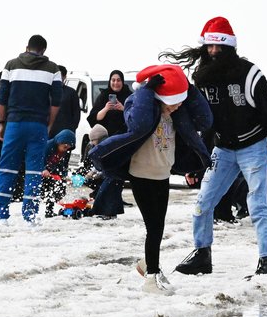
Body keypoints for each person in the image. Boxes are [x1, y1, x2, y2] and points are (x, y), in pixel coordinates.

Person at [160, 16, 267, 276]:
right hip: (223, 149)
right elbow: (203, 123)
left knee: (258, 203)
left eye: (220, 47)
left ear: (230, 48)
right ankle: (202, 255)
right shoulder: (202, 78)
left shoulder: (250, 74)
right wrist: (197, 160)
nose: (214, 52)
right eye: (210, 47)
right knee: (202, 203)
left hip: (253, 147)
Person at [89, 64, 213, 294]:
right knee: (154, 227)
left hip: (162, 175)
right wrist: (147, 89)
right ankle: (150, 278)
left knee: (158, 226)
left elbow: (205, 120)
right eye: (174, 101)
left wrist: (189, 88)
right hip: (142, 175)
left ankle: (148, 264)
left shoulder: (178, 116)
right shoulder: (143, 110)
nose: (177, 105)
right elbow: (139, 123)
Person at [0, 35, 63, 225]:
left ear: (27, 48)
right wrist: (49, 124)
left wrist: (1, 123)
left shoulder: (11, 65)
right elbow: (56, 102)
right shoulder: (53, 69)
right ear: (44, 51)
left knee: (6, 168)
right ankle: (29, 216)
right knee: (34, 171)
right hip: (38, 125)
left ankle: (1, 215)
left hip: (14, 124)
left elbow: (2, 98)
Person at [87, 70, 132, 220]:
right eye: (113, 80)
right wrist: (106, 108)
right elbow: (94, 119)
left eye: (118, 80)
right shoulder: (103, 96)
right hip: (106, 141)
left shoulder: (129, 96)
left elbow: (136, 118)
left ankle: (107, 209)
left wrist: (123, 108)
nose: (116, 83)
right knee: (112, 175)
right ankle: (107, 209)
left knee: (115, 175)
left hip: (124, 141)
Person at [42, 129, 75, 218]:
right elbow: (39, 158)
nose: (66, 149)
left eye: (68, 148)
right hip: (42, 172)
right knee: (45, 190)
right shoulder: (48, 146)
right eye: (64, 147)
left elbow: (63, 165)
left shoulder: (63, 152)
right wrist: (43, 169)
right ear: (59, 142)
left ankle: (49, 211)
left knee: (55, 189)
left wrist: (64, 175)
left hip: (51, 173)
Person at [49, 65, 81, 138]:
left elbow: (76, 113)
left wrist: (71, 129)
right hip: (48, 131)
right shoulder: (46, 91)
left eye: (59, 76)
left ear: (64, 77)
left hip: (65, 132)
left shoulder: (71, 92)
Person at [78, 124, 108, 200]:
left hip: (109, 175)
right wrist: (92, 172)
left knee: (103, 181)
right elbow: (98, 165)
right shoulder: (96, 146)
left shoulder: (105, 147)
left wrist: (98, 174)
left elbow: (106, 166)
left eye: (92, 140)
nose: (91, 143)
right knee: (82, 174)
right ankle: (96, 193)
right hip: (102, 172)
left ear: (99, 139)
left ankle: (98, 195)